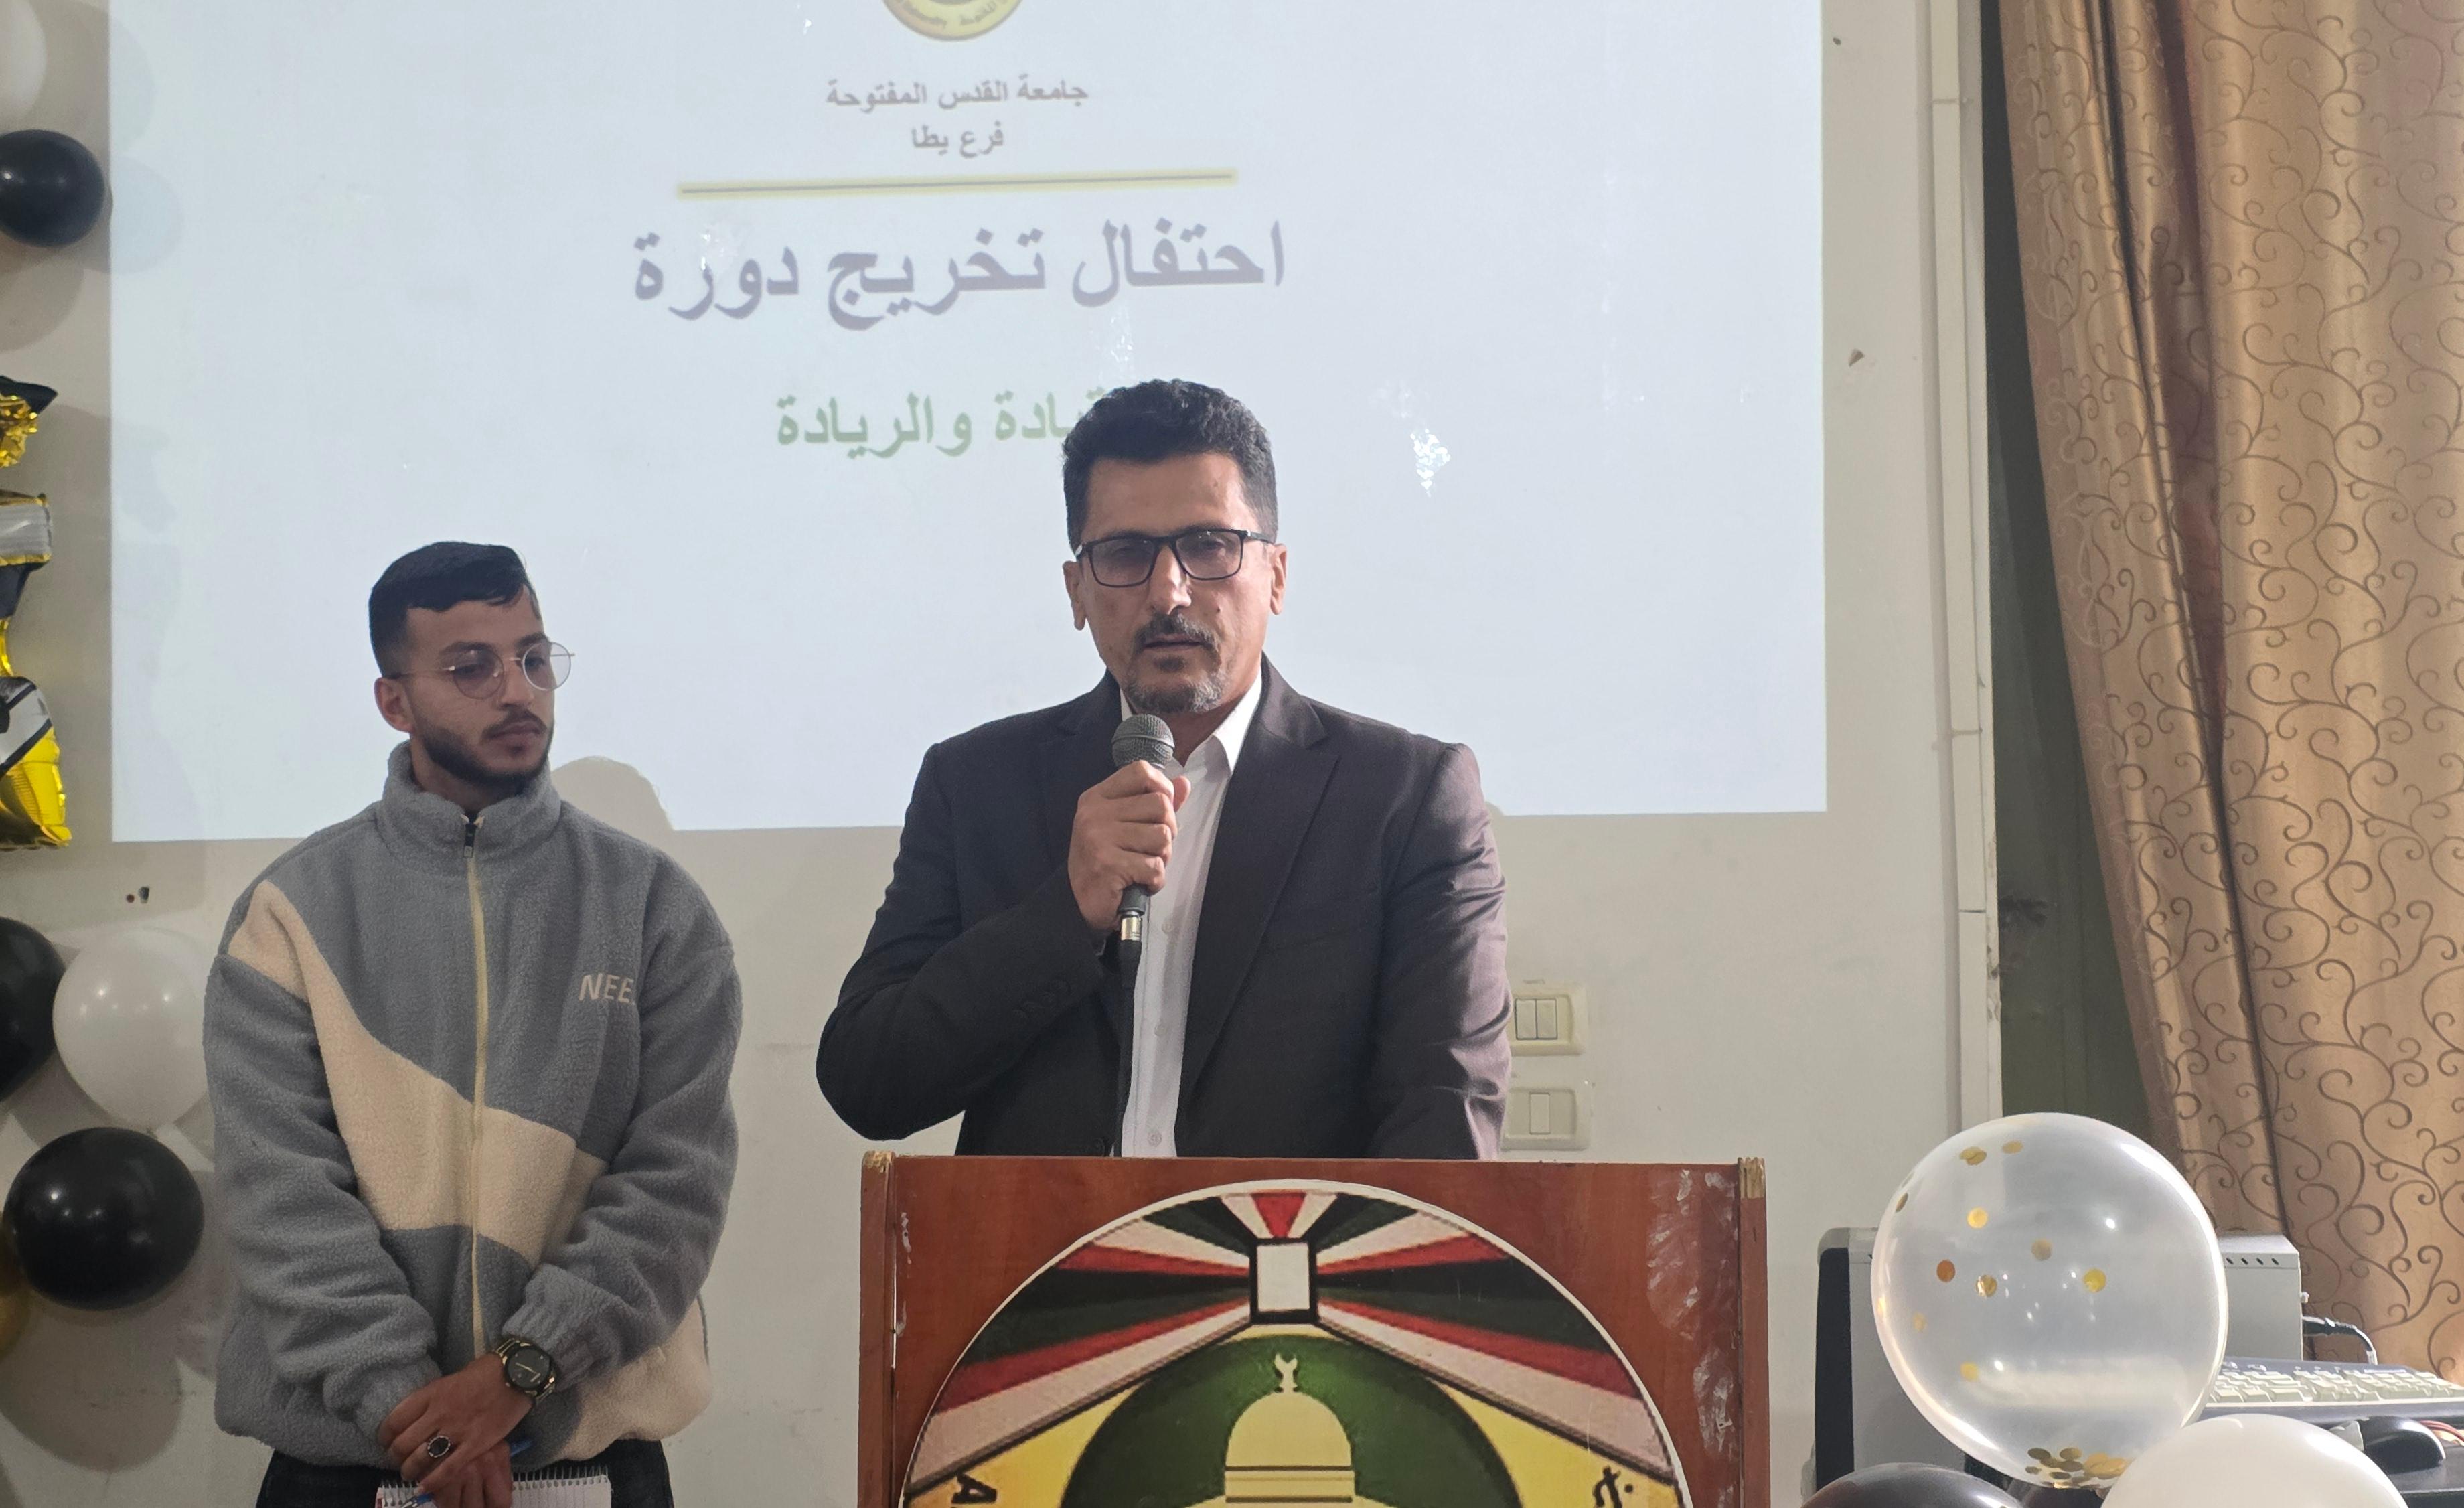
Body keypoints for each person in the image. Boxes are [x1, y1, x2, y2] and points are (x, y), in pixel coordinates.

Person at [817, 379, 1510, 1158]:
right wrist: (1064, 916)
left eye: (1210, 545)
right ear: (1077, 591)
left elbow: (1445, 1127)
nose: (1168, 591)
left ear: (1276, 575)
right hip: (1043, 1241)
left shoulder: (1405, 797)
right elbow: (867, 1080)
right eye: (1125, 554)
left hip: (1282, 1239)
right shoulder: (976, 783)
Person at [205, 542, 740, 1508]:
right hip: (346, 1463)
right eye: (471, 667)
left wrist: (522, 1371)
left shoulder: (655, 906)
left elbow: (678, 1183)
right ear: (394, 702)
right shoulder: (292, 911)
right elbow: (282, 1197)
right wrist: (418, 1414)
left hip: (590, 1458)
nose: (518, 690)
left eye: (533, 658)